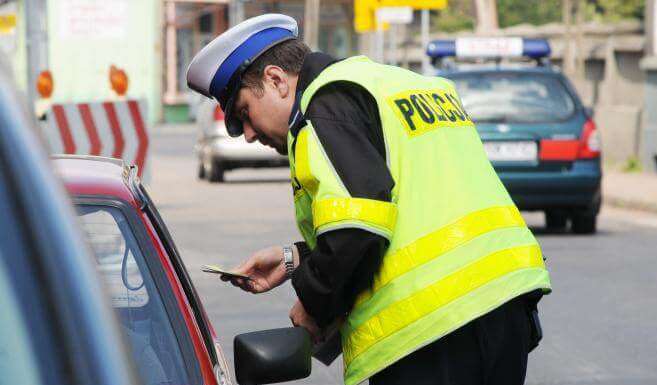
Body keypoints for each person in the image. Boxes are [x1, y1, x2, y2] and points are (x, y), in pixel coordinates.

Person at [186, 14, 552, 385]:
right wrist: (294, 259)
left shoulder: (324, 106)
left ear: (277, 80)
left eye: (244, 113)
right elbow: (414, 207)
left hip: (430, 330)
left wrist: (314, 304)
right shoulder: (403, 84)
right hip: (504, 305)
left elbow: (357, 231)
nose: (247, 135)